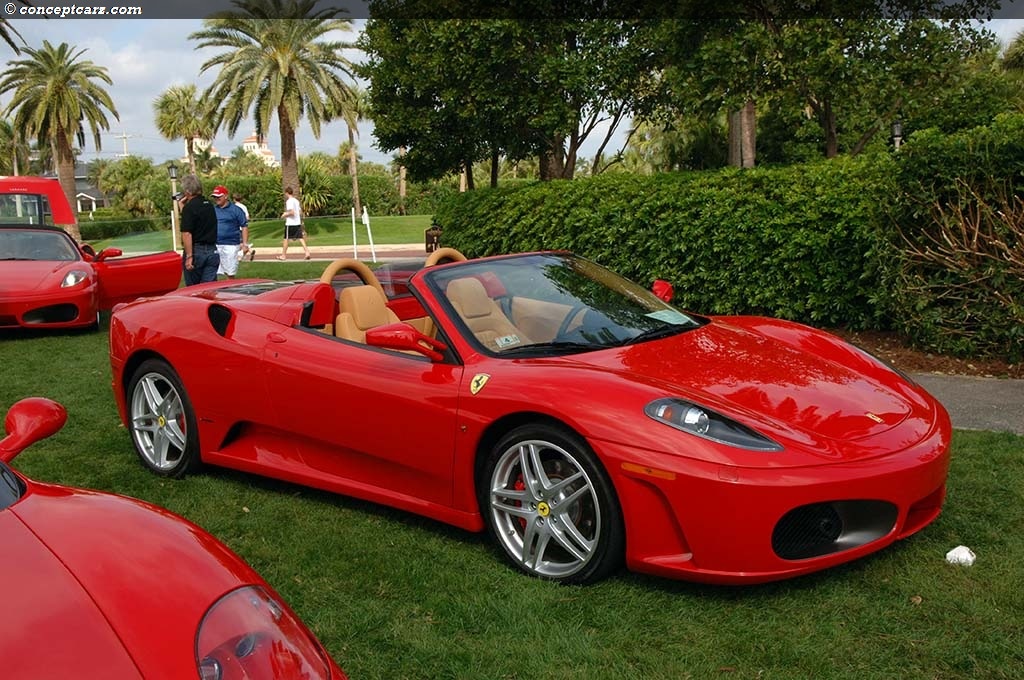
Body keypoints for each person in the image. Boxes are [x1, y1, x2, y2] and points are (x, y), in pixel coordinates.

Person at [178, 174, 219, 285]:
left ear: (187, 192)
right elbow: (196, 220)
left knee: (194, 290)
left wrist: (189, 256)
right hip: (212, 250)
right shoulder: (209, 205)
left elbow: (187, 232)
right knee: (209, 288)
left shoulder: (189, 208)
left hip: (197, 251)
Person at [212, 185, 249, 279]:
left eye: (218, 196)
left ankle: (230, 289)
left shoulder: (236, 210)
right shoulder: (213, 210)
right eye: (215, 197)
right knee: (213, 271)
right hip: (215, 244)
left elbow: (244, 226)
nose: (216, 199)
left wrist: (245, 244)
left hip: (231, 244)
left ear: (225, 196)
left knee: (230, 272)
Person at [278, 185, 310, 260]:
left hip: (290, 224)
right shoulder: (296, 201)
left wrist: (284, 214)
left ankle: (283, 255)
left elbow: (292, 212)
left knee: (286, 239)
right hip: (297, 223)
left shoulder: (289, 201)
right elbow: (299, 212)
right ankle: (307, 252)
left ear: (286, 193)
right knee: (300, 238)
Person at [233, 192, 256, 261]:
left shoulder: (234, 207)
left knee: (238, 243)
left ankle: (243, 253)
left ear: (234, 199)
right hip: (243, 228)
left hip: (236, 228)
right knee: (242, 242)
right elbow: (247, 217)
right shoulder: (244, 207)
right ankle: (246, 253)